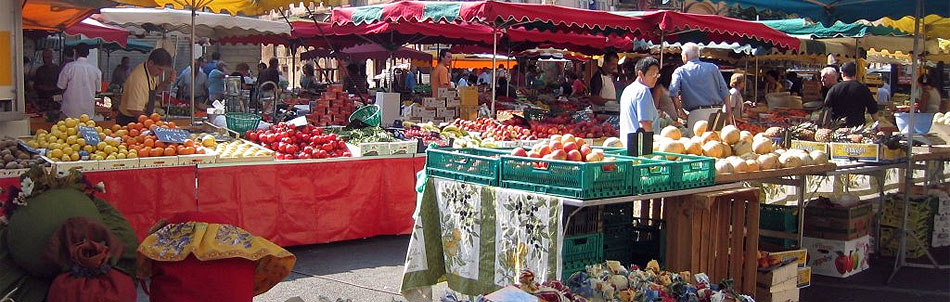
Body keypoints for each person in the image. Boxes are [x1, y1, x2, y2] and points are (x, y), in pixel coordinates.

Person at [669, 43, 731, 130]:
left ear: (685, 56)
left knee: (696, 142)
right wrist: (728, 113)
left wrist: (679, 110)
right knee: (716, 142)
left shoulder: (680, 71)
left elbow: (673, 91)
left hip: (696, 114)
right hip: (717, 113)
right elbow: (724, 91)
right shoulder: (713, 68)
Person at [118, 48, 175, 125]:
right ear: (151, 63)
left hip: (142, 118)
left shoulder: (151, 72)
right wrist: (152, 124)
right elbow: (134, 110)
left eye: (163, 70)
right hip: (130, 122)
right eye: (159, 69)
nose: (161, 73)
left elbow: (154, 90)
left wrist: (166, 82)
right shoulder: (138, 79)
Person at [620, 56, 661, 147]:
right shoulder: (643, 91)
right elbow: (645, 123)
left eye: (657, 74)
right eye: (652, 74)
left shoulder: (628, 89)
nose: (655, 78)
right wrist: (651, 147)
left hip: (627, 145)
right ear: (640, 74)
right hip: (640, 149)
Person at [824, 61, 878, 127]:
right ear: (855, 74)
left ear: (842, 74)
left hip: (838, 129)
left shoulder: (834, 89)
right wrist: (877, 124)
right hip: (857, 129)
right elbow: (873, 108)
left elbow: (826, 110)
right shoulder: (863, 88)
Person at [56, 43, 101, 118]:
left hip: (69, 110)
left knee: (66, 129)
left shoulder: (69, 67)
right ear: (88, 54)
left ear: (76, 53)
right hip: (88, 111)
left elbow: (61, 86)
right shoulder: (96, 71)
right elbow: (98, 90)